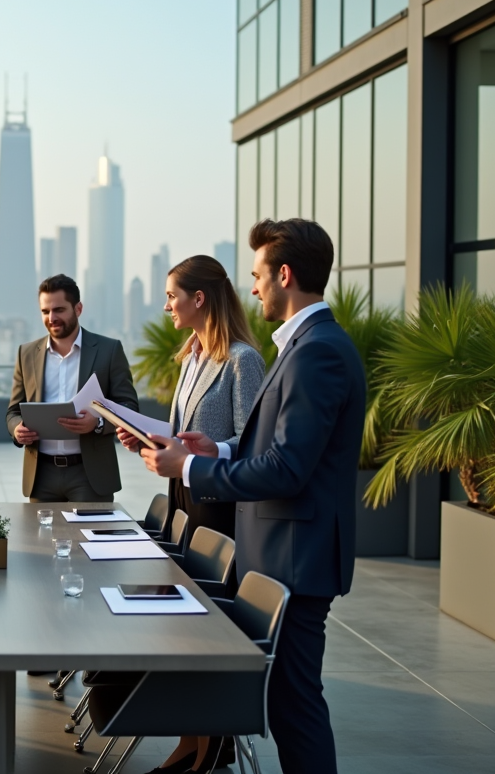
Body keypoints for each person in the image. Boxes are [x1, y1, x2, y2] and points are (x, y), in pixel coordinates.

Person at [138, 218, 364, 774]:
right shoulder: (302, 347)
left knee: (295, 707)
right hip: (282, 555)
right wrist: (215, 450)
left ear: (284, 275)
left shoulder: (317, 353)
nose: (254, 287)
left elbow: (287, 469)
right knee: (288, 704)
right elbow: (274, 446)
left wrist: (191, 467)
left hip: (296, 559)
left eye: (260, 274)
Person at [117, 254, 264, 774]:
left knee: (204, 628)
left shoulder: (241, 360)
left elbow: (250, 444)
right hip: (184, 498)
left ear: (199, 299)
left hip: (217, 507)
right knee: (182, 627)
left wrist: (203, 453)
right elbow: (184, 433)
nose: (166, 305)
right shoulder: (192, 356)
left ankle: (212, 747)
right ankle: (191, 741)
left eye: (172, 296)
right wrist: (145, 437)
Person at [6, 274, 140, 502]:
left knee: (90, 538)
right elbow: (13, 411)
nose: (51, 318)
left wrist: (97, 423)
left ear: (78, 308)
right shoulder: (26, 354)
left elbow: (129, 407)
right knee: (40, 538)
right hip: (40, 474)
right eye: (45, 311)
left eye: (59, 310)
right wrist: (17, 429)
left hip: (90, 474)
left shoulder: (109, 350)